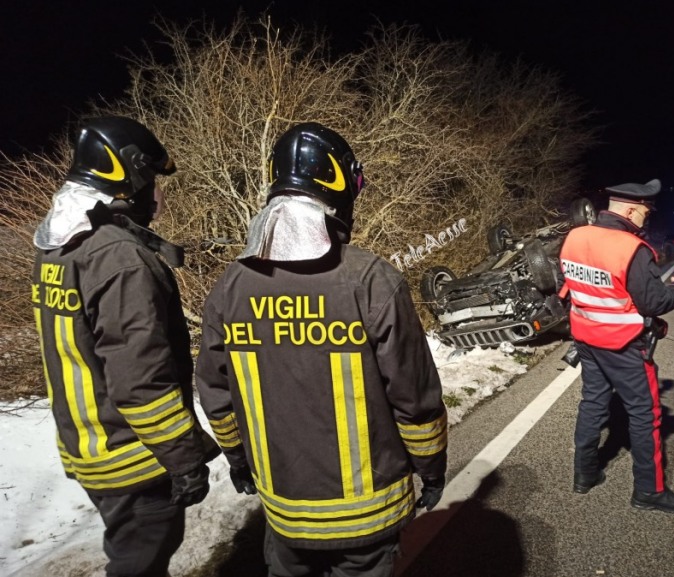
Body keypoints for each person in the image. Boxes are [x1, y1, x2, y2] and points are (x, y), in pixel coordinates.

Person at [195, 122, 448, 576]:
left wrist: (237, 460)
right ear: (340, 187)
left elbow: (215, 392)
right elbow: (414, 397)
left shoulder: (230, 286)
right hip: (368, 520)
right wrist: (431, 467)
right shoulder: (371, 279)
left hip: (284, 513)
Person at [32, 116, 219, 576]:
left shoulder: (60, 246)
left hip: (91, 447)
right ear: (130, 173)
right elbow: (140, 377)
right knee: (140, 562)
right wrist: (183, 458)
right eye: (151, 178)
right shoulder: (118, 257)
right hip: (134, 455)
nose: (156, 192)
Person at [558, 178, 674, 514]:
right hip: (623, 346)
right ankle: (648, 491)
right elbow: (654, 302)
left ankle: (584, 474)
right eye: (645, 213)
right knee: (645, 415)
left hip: (586, 338)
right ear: (632, 209)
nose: (646, 218)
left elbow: (571, 286)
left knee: (592, 402)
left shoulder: (575, 236)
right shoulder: (631, 248)